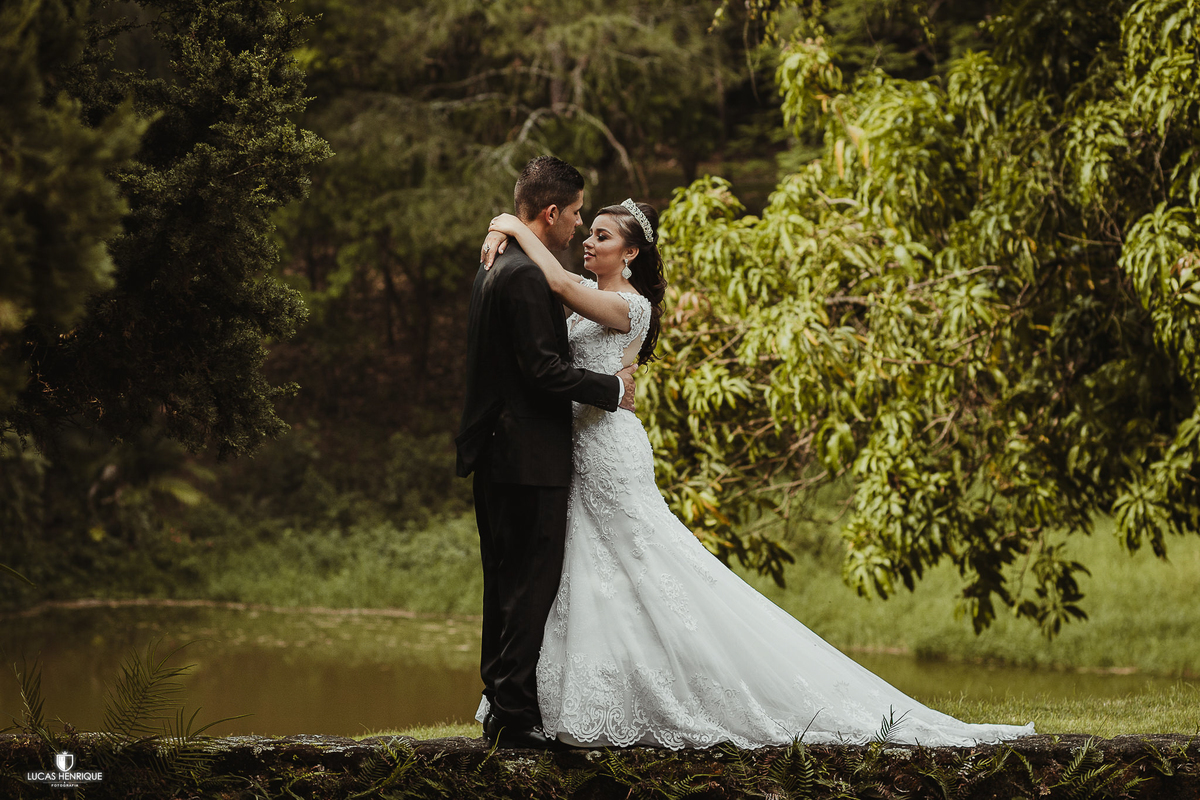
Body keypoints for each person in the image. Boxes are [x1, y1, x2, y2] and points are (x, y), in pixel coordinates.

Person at [474, 196, 1037, 749]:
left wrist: (512, 227)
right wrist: (507, 239)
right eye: (587, 231)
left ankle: (696, 687)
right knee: (589, 574)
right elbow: (544, 305)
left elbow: (557, 283)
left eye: (603, 236)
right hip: (573, 451)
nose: (589, 242)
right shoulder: (588, 293)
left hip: (611, 452)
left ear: (632, 254)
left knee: (649, 564)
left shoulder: (630, 306)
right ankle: (570, 698)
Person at [455, 156, 637, 750]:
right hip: (529, 456)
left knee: (504, 581)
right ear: (552, 212)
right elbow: (541, 370)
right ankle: (510, 713)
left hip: (495, 454)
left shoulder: (495, 265)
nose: (581, 227)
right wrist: (611, 389)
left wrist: (503, 223)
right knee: (531, 583)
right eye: (579, 213)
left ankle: (502, 703)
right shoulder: (529, 276)